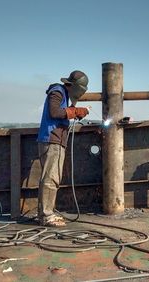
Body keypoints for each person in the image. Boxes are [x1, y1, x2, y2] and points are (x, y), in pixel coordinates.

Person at [36, 70, 90, 227]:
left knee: (53, 178)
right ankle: (46, 216)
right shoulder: (58, 92)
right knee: (50, 179)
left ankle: (47, 213)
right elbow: (54, 112)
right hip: (51, 139)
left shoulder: (64, 95)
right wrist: (74, 111)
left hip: (56, 140)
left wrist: (74, 112)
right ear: (76, 87)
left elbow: (62, 113)